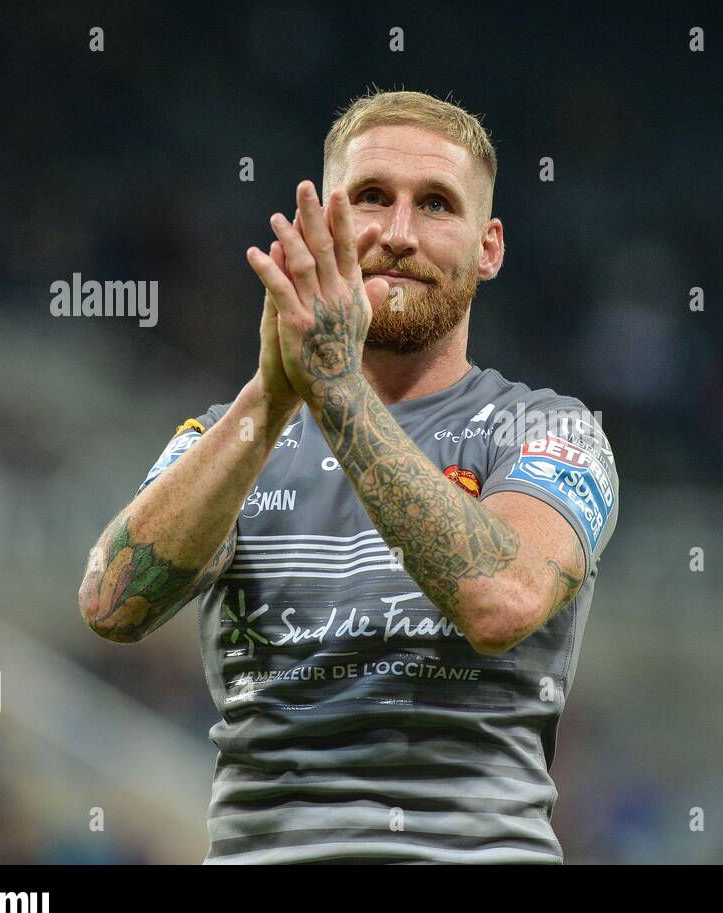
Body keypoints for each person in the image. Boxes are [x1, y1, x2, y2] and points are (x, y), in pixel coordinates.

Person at [78, 90, 619, 864]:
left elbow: (502, 599)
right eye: (371, 197)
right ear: (321, 225)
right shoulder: (224, 439)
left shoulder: (550, 429)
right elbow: (110, 602)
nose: (399, 234)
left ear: (489, 246)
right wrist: (270, 400)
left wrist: (332, 388)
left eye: (436, 204)